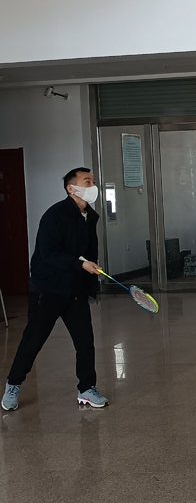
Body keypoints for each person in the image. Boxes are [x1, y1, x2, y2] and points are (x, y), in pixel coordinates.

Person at [1, 168, 108, 411]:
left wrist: (90, 271)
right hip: (48, 289)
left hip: (75, 290)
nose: (93, 185)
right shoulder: (55, 215)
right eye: (87, 181)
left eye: (93, 181)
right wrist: (80, 264)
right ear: (71, 188)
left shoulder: (89, 216)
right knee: (33, 341)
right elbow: (48, 253)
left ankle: (87, 389)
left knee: (85, 342)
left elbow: (87, 251)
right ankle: (13, 385)